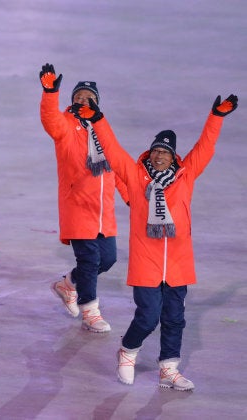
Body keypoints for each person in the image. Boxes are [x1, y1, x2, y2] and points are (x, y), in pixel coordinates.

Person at [71, 93, 238, 391]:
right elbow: (112, 148)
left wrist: (217, 117)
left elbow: (205, 147)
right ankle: (128, 349)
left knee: (175, 318)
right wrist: (97, 119)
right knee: (148, 317)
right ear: (149, 154)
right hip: (146, 263)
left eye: (166, 153)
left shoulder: (185, 178)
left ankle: (168, 370)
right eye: (156, 152)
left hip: (178, 264)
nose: (160, 156)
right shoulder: (136, 179)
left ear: (174, 158)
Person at [38, 63, 128, 333]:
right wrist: (50, 92)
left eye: (88, 98)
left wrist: (132, 195)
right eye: (77, 97)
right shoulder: (64, 125)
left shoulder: (102, 127)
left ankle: (68, 284)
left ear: (96, 103)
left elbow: (117, 164)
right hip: (77, 206)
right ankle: (90, 312)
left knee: (107, 259)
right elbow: (49, 118)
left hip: (103, 210)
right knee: (89, 260)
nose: (82, 101)